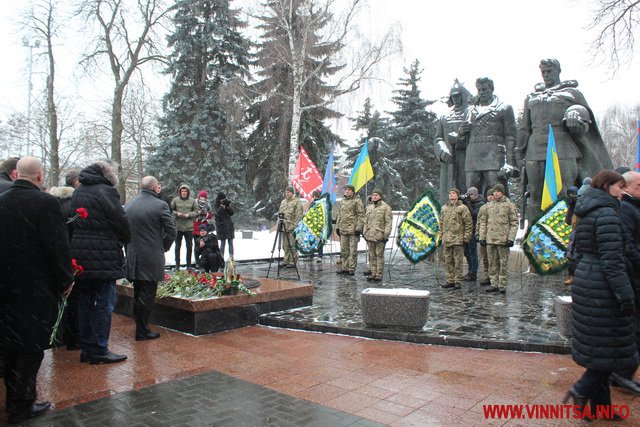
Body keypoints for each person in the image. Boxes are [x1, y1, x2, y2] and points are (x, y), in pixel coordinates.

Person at [0, 157, 74, 424]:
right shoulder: (45, 203)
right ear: (40, 177)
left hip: (6, 287)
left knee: (10, 345)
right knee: (31, 347)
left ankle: (14, 399)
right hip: (34, 287)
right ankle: (22, 405)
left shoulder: (3, 201)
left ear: (17, 174)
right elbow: (57, 246)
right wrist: (66, 278)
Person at [564, 169, 636, 420]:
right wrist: (626, 296)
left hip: (588, 280)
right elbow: (612, 261)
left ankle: (601, 407)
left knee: (602, 350)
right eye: (619, 187)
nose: (622, 192)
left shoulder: (589, 209)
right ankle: (580, 390)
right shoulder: (607, 214)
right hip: (603, 287)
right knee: (609, 351)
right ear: (607, 187)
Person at [516, 58, 612, 220]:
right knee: (535, 195)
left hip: (562, 148)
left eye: (549, 71)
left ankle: (563, 233)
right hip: (535, 149)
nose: (546, 75)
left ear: (558, 71)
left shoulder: (572, 94)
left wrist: (577, 117)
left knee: (564, 192)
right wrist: (517, 156)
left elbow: (586, 123)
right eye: (543, 72)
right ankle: (533, 234)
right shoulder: (532, 97)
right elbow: (524, 128)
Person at [70, 160, 131, 364]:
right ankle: (99, 348)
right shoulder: (106, 191)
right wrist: (124, 238)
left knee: (85, 302)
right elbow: (119, 220)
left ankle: (86, 346)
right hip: (103, 254)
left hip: (81, 254)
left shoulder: (79, 191)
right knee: (104, 303)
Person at [124, 176, 176, 341]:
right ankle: (142, 330)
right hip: (151, 257)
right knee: (147, 294)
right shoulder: (160, 205)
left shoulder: (129, 204)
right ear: (154, 187)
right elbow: (172, 231)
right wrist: (163, 247)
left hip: (133, 256)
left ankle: (140, 325)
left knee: (138, 292)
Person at [609, 171, 640, 395]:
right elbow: (627, 248)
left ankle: (621, 373)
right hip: (632, 279)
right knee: (633, 329)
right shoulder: (626, 210)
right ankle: (621, 373)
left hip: (632, 278)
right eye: (639, 185)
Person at [461, 78, 518, 198]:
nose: (482, 92)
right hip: (473, 155)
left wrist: (510, 162)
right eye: (479, 89)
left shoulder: (504, 108)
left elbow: (510, 136)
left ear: (492, 89)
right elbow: (462, 140)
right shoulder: (469, 111)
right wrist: (461, 132)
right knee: (471, 191)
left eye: (485, 89)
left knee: (497, 190)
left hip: (494, 156)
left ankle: (502, 216)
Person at [48, 169, 82, 350]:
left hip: (55, 257)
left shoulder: (52, 203)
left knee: (60, 299)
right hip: (71, 256)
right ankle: (73, 338)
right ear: (76, 182)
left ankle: (58, 336)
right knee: (73, 299)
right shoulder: (73, 205)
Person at [433, 81, 471, 204]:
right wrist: (443, 152)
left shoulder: (470, 114)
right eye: (453, 96)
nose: (456, 99)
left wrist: (460, 140)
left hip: (465, 158)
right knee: (447, 191)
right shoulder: (444, 116)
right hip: (448, 161)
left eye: (458, 95)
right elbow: (438, 138)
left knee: (464, 188)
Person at [478, 184, 518, 294]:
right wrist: (482, 237)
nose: (495, 193)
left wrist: (511, 238)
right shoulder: (488, 206)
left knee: (503, 262)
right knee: (492, 262)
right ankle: (493, 283)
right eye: (494, 191)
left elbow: (514, 223)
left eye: (498, 191)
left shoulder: (509, 206)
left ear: (502, 192)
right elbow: (483, 222)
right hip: (490, 239)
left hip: (503, 239)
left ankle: (502, 284)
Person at [440, 188, 473, 289]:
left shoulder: (462, 208)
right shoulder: (444, 208)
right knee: (448, 260)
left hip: (458, 239)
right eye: (450, 193)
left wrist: (466, 237)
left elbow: (468, 223)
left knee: (458, 261)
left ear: (457, 195)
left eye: (453, 193)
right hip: (447, 239)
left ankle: (457, 280)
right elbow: (441, 223)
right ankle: (450, 280)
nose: (451, 195)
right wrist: (440, 236)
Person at [363, 188, 392, 282]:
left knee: (379, 255)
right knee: (372, 255)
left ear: (380, 197)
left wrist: (386, 235)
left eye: (376, 195)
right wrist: (365, 232)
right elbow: (366, 221)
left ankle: (379, 274)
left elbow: (388, 222)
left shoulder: (386, 208)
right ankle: (373, 273)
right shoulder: (369, 207)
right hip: (370, 235)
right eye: (373, 195)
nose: (374, 197)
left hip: (380, 235)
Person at [335, 184, 365, 275]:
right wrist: (337, 227)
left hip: (353, 230)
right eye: (346, 190)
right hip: (343, 230)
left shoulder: (357, 201)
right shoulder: (343, 201)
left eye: (348, 190)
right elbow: (339, 215)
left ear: (352, 191)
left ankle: (351, 268)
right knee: (344, 250)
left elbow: (361, 215)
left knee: (352, 251)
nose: (347, 191)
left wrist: (358, 228)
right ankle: (345, 267)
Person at [171, 184, 197, 269]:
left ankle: (188, 264)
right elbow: (170, 210)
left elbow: (196, 211)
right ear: (180, 192)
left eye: (185, 191)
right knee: (177, 246)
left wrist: (189, 215)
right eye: (182, 191)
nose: (184, 193)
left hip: (189, 227)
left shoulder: (193, 201)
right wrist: (177, 214)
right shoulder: (175, 200)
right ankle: (177, 264)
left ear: (188, 192)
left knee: (189, 246)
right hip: (178, 226)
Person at [461, 186, 484, 281]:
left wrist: (467, 203)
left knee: (472, 252)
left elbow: (474, 214)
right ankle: (469, 271)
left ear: (475, 194)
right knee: (466, 252)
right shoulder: (469, 202)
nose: (469, 197)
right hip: (466, 230)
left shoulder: (480, 203)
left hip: (473, 231)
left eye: (470, 195)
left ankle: (473, 273)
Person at [278, 186, 303, 268]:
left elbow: (299, 215)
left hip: (293, 227)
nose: (286, 194)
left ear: (292, 193)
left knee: (292, 245)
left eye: (288, 192)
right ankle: (286, 260)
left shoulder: (297, 202)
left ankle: (293, 261)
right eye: (286, 192)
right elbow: (280, 213)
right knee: (285, 245)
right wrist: (279, 224)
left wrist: (295, 226)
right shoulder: (283, 202)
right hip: (284, 227)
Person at [476, 189, 494, 286]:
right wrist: (478, 235)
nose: (490, 197)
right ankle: (487, 276)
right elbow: (479, 222)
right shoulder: (483, 208)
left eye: (492, 195)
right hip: (484, 237)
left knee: (494, 259)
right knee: (485, 259)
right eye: (488, 195)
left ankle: (495, 278)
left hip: (495, 237)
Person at [214, 192, 235, 259]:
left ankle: (231, 256)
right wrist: (221, 207)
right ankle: (221, 257)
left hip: (229, 225)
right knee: (223, 243)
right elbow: (217, 213)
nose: (223, 200)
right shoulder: (216, 204)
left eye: (224, 199)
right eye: (222, 199)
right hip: (221, 226)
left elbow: (232, 213)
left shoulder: (226, 203)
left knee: (230, 242)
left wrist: (228, 207)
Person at [310, 190, 325, 263]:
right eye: (314, 196)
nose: (314, 197)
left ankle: (319, 255)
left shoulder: (320, 203)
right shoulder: (312, 203)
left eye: (315, 196)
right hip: (312, 224)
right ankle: (312, 254)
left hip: (318, 225)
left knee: (318, 241)